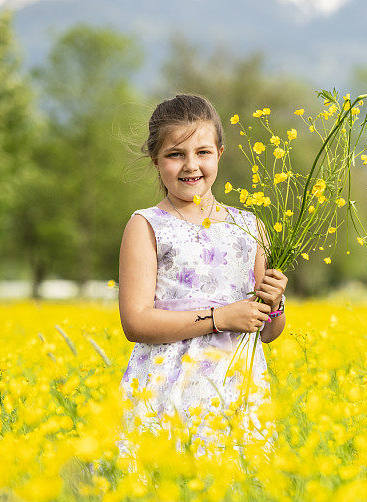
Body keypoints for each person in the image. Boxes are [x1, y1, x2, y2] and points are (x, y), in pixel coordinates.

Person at [117, 94, 287, 457]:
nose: (190, 165)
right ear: (156, 160)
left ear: (220, 154)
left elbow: (269, 332)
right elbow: (135, 322)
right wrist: (220, 318)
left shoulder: (249, 226)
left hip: (235, 386)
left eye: (203, 152)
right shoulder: (146, 225)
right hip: (166, 385)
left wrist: (273, 304)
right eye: (175, 154)